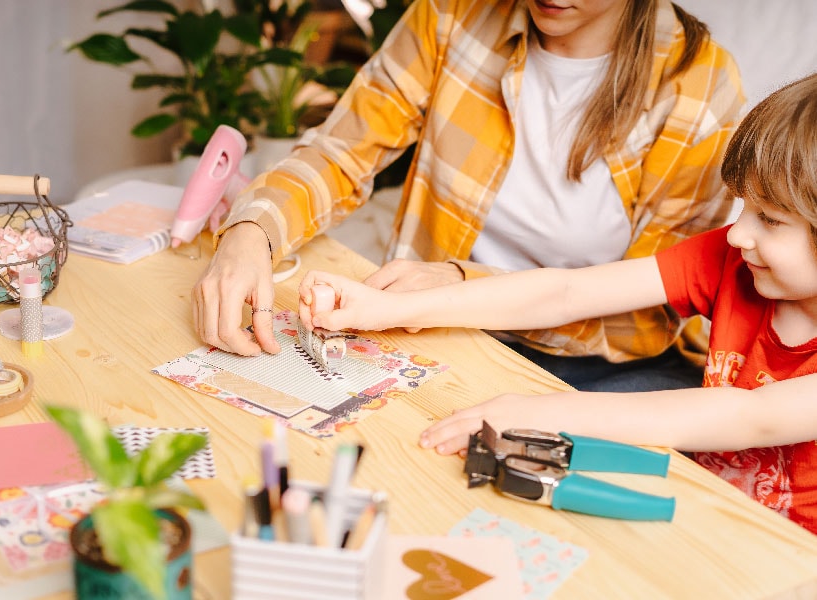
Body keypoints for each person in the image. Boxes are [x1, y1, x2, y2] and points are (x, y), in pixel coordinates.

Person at [297, 73, 817, 534]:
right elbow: (567, 292)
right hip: (708, 514)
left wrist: (536, 410)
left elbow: (753, 416)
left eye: (770, 219)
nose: (736, 235)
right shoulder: (737, 259)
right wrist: (385, 311)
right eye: (744, 208)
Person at [193, 0, 745, 392]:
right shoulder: (450, 12)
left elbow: (646, 311)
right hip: (432, 327)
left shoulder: (699, 86)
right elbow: (342, 151)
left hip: (598, 365)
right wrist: (252, 232)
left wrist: (461, 283)